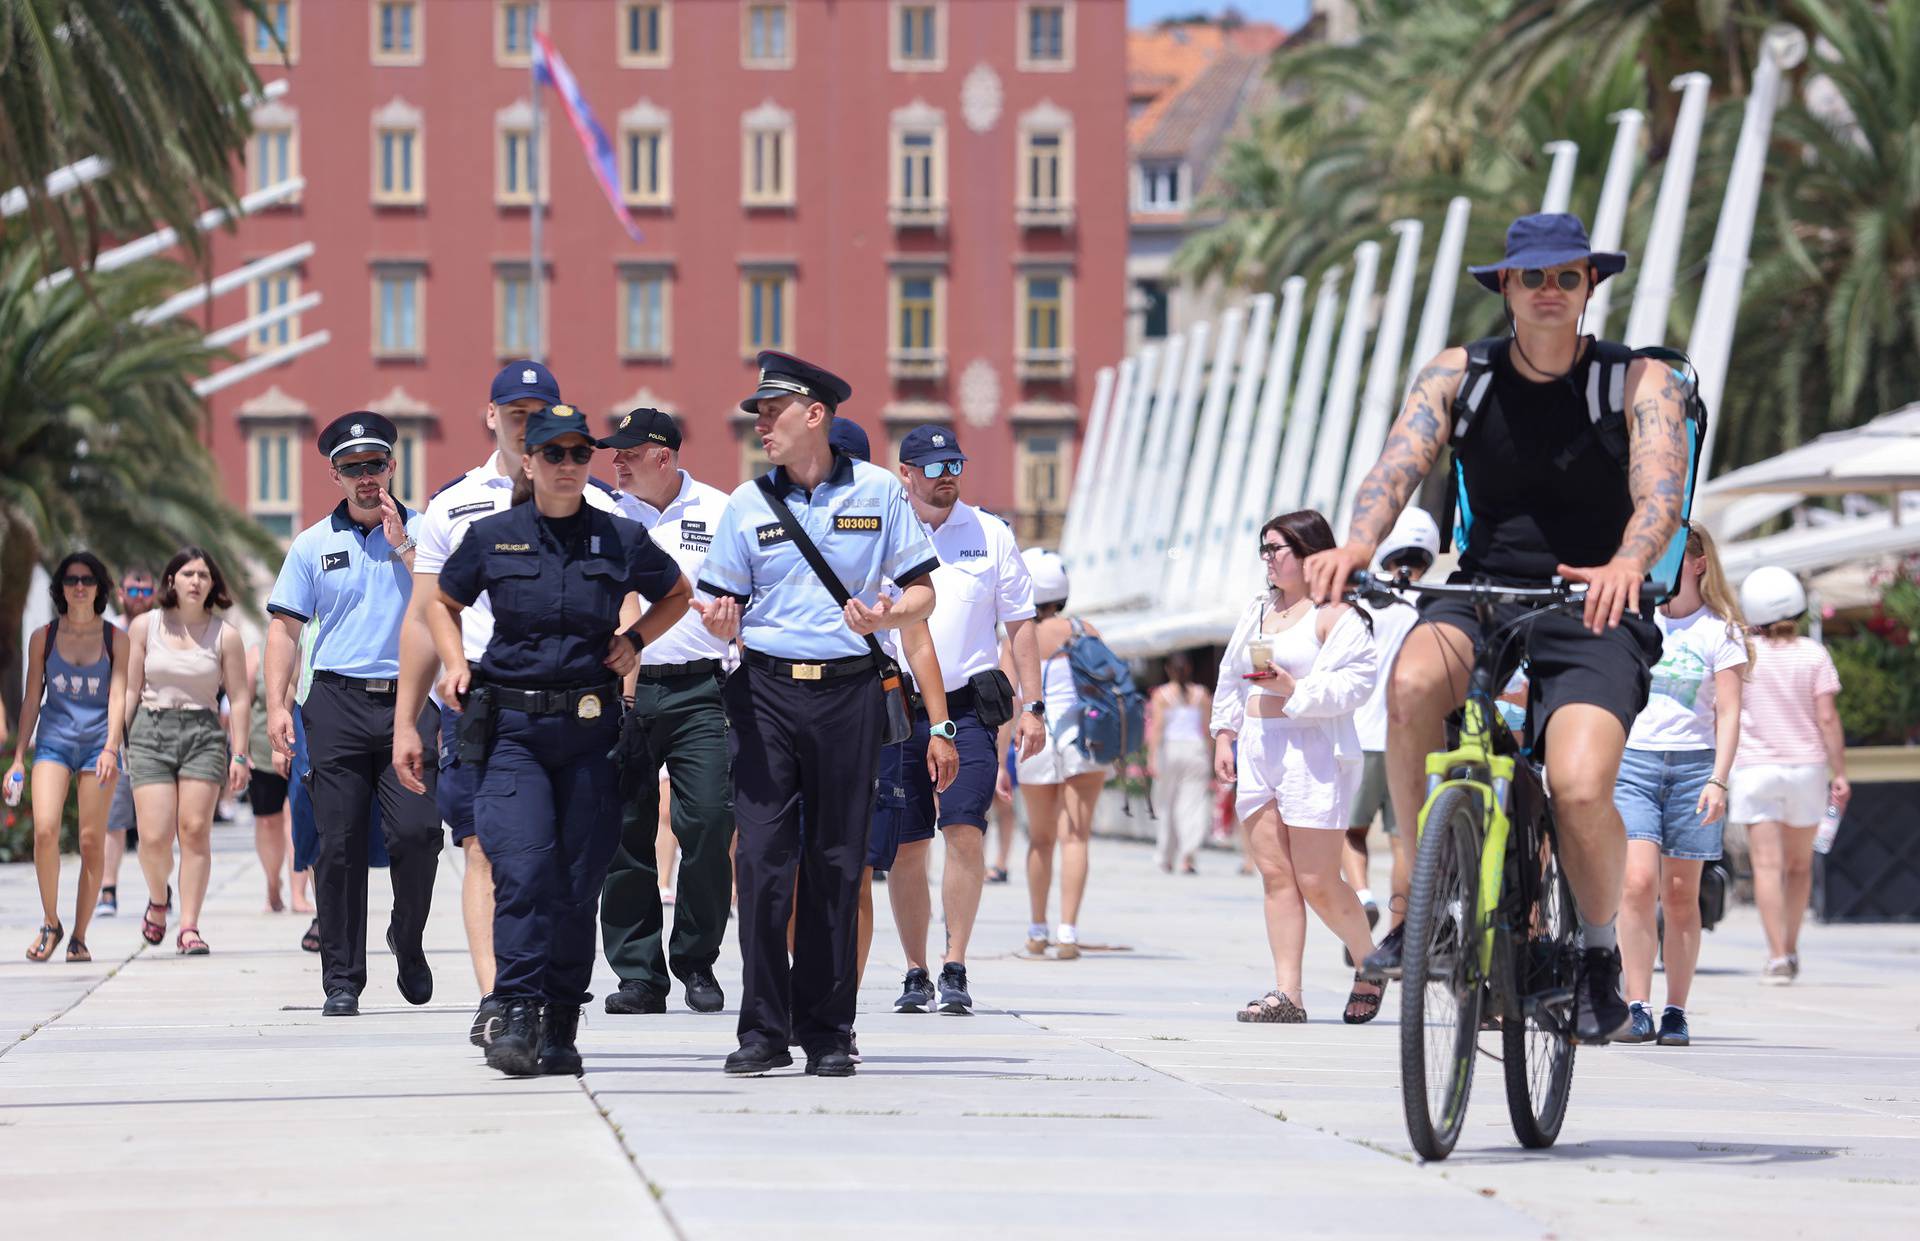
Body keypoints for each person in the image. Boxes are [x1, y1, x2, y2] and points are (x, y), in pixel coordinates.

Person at [1305, 212, 1691, 1044]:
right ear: (1505, 288)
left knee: (1582, 784)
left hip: (1596, 599)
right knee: (1410, 685)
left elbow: (1660, 490)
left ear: (1590, 285)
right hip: (1483, 591)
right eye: (1532, 277)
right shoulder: (1460, 373)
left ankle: (1593, 959)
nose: (1549, 291)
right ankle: (1424, 899)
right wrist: (1358, 542)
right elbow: (1399, 463)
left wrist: (1630, 562)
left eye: (1567, 276)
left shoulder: (1638, 382)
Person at [398, 402, 689, 1076]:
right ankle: (518, 1009)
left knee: (578, 880)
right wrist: (457, 661)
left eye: (578, 454)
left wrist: (636, 640)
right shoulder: (494, 536)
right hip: (513, 733)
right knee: (523, 867)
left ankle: (560, 1018)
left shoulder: (617, 536)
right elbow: (440, 602)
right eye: (551, 453)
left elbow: (676, 592)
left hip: (590, 733)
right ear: (528, 461)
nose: (566, 465)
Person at [698, 350, 954, 1078]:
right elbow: (725, 603)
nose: (760, 425)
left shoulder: (879, 491)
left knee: (837, 863)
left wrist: (886, 616)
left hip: (848, 694)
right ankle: (762, 1030)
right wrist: (721, 624)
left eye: (771, 412)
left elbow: (921, 595)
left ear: (815, 415)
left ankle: (830, 1030)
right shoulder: (748, 504)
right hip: (765, 693)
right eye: (756, 415)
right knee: (761, 861)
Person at [403, 360, 618, 1045]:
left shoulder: (599, 503)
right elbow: (422, 613)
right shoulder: (452, 505)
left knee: (565, 862)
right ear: (490, 416)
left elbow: (633, 601)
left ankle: (550, 998)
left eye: (541, 410)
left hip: (576, 705)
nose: (528, 422)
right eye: (515, 410)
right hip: (482, 705)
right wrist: (406, 716)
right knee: (486, 849)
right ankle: (501, 995)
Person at [266, 412, 437, 1018]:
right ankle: (342, 978)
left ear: (392, 466)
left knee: (418, 834)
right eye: (353, 468)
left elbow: (444, 603)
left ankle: (407, 939)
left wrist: (404, 548)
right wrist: (277, 704)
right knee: (336, 846)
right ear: (335, 474)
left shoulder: (425, 532)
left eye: (376, 465)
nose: (367, 477)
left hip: (410, 702)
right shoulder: (313, 544)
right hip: (334, 702)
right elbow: (285, 629)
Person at [870, 425, 1045, 1017]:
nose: (947, 475)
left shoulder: (990, 534)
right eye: (934, 466)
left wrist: (1033, 705)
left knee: (965, 827)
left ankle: (955, 964)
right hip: (899, 710)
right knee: (908, 845)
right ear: (906, 473)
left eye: (955, 465)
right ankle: (916, 969)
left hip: (969, 707)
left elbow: (1020, 624)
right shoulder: (883, 534)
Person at [597, 408, 738, 1017]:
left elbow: (753, 595)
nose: (616, 462)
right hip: (618, 693)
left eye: (628, 452)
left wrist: (736, 623)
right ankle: (638, 973)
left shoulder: (723, 510)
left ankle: (697, 959)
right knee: (624, 831)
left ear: (664, 455)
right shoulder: (604, 514)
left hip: (701, 689)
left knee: (708, 821)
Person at [1214, 512, 1381, 1023]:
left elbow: (1359, 683)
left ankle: (1371, 963)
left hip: (1311, 749)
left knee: (1317, 878)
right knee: (1275, 874)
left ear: (1310, 553)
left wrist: (1294, 688)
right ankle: (1288, 994)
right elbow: (1231, 673)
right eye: (1263, 549)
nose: (1267, 558)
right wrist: (1226, 731)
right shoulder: (1259, 610)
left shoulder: (1337, 615)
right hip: (1260, 744)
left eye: (1276, 548)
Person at [1616, 524, 1749, 1046]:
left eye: (1673, 555)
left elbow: (1731, 713)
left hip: (1696, 769)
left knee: (1679, 896)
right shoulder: (1635, 620)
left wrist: (1719, 778)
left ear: (1697, 563)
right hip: (1636, 763)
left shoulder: (1721, 630)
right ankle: (1636, 1002)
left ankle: (1676, 1009)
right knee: (1637, 884)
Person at [122, 548, 250, 955]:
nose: (196, 581)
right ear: (171, 580)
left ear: (213, 584)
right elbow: (128, 688)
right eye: (188, 573)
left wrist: (241, 754)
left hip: (203, 734)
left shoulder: (225, 635)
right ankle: (159, 900)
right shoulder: (145, 626)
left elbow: (241, 698)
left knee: (195, 831)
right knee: (154, 838)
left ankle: (189, 926)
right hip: (151, 730)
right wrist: (117, 740)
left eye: (204, 575)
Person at [1727, 566, 1846, 986]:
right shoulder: (1814, 654)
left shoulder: (1743, 652)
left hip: (1755, 768)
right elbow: (1827, 719)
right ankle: (1791, 948)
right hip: (1806, 768)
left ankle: (1776, 955)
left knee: (1766, 866)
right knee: (1799, 867)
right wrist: (1841, 772)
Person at [10, 553, 129, 962]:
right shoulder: (43, 637)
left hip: (99, 745)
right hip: (54, 743)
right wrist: (16, 758)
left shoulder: (116, 639)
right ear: (60, 588)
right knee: (45, 830)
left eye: (88, 579)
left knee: (92, 841)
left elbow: (118, 696)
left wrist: (113, 747)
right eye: (72, 579)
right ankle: (50, 921)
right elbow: (30, 699)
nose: (80, 586)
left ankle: (79, 935)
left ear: (99, 588)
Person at [1342, 509, 1439, 927]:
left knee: (1350, 832)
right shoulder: (1436, 606)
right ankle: (1401, 934)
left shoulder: (1363, 602)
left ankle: (1362, 894)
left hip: (1360, 735)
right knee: (1404, 843)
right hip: (1410, 739)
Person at [1013, 549, 1108, 960]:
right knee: (1076, 837)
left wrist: (1001, 762)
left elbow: (1006, 703)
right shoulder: (1084, 629)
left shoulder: (1017, 635)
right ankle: (1068, 932)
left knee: (1040, 839)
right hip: (1083, 740)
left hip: (1034, 738)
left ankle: (1037, 929)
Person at [98, 566, 156, 918]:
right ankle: (108, 888)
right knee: (114, 816)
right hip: (116, 734)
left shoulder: (164, 629)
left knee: (155, 820)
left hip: (155, 729)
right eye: (132, 591)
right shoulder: (107, 633)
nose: (138, 597)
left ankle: (159, 889)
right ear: (121, 594)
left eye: (144, 590)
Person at [1147, 651, 1213, 875]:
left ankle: (1166, 856)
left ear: (1168, 670)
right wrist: (1212, 758)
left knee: (1166, 805)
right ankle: (1188, 855)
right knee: (1192, 804)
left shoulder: (1162, 695)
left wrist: (1152, 757)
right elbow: (1207, 730)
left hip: (1170, 750)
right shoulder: (1201, 694)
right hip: (1196, 751)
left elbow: (1157, 728)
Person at [245, 643, 299, 913]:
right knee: (269, 822)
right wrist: (240, 751)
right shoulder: (256, 653)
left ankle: (299, 893)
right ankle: (272, 883)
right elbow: (241, 702)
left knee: (297, 818)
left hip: (303, 744)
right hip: (263, 748)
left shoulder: (316, 639)